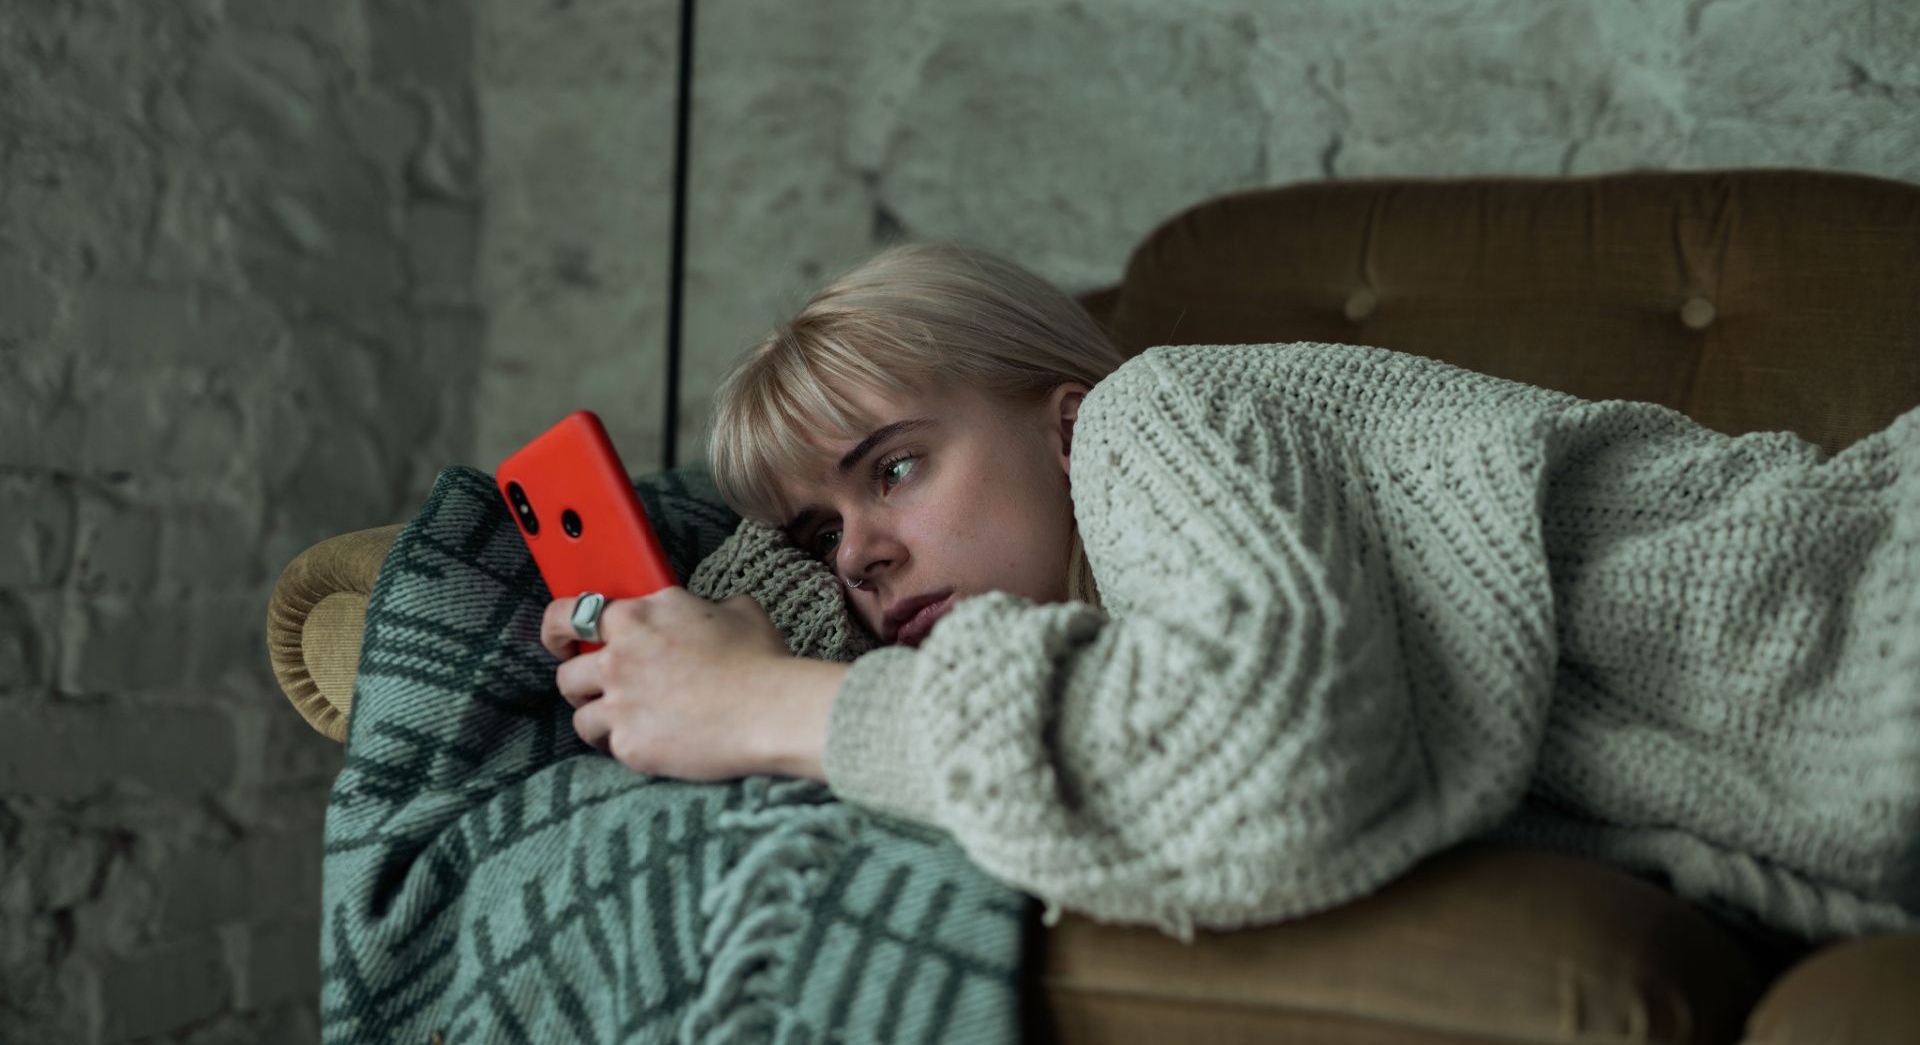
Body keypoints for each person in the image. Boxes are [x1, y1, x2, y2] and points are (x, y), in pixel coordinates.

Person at [540, 241, 1920, 942]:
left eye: (893, 470)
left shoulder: (1160, 412)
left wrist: (783, 705)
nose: (856, 559)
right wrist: (678, 636)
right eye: (813, 536)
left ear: (1062, 423)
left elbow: (1270, 769)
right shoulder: (1102, 636)